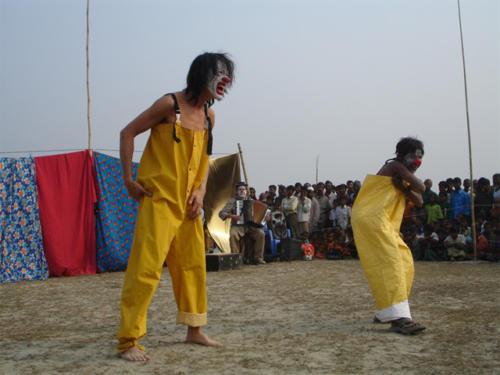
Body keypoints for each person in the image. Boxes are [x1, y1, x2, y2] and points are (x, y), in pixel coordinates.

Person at [117, 52, 234, 361]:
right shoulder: (170, 105)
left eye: (228, 75)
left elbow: (204, 160)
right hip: (159, 201)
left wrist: (201, 191)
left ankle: (194, 329)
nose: (226, 80)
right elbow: (127, 132)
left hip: (189, 207)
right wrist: (128, 179)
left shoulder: (210, 117)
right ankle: (129, 339)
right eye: (220, 73)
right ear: (202, 74)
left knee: (192, 267)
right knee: (145, 269)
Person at [351, 137, 426, 335]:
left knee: (404, 261)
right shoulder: (395, 166)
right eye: (414, 157)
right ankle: (399, 318)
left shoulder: (403, 177)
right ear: (401, 155)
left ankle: (386, 310)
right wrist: (410, 184)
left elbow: (418, 201)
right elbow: (422, 187)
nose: (417, 162)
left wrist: (403, 187)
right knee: (391, 261)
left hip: (383, 222)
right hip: (372, 217)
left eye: (420, 159)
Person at [219, 182, 266, 265]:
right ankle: (235, 258)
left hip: (250, 226)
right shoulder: (233, 201)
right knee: (233, 234)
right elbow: (221, 213)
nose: (241, 191)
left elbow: (260, 216)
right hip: (238, 226)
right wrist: (233, 216)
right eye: (240, 189)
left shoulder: (251, 201)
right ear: (237, 191)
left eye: (243, 189)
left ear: (246, 191)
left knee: (261, 234)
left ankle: (258, 258)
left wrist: (265, 218)